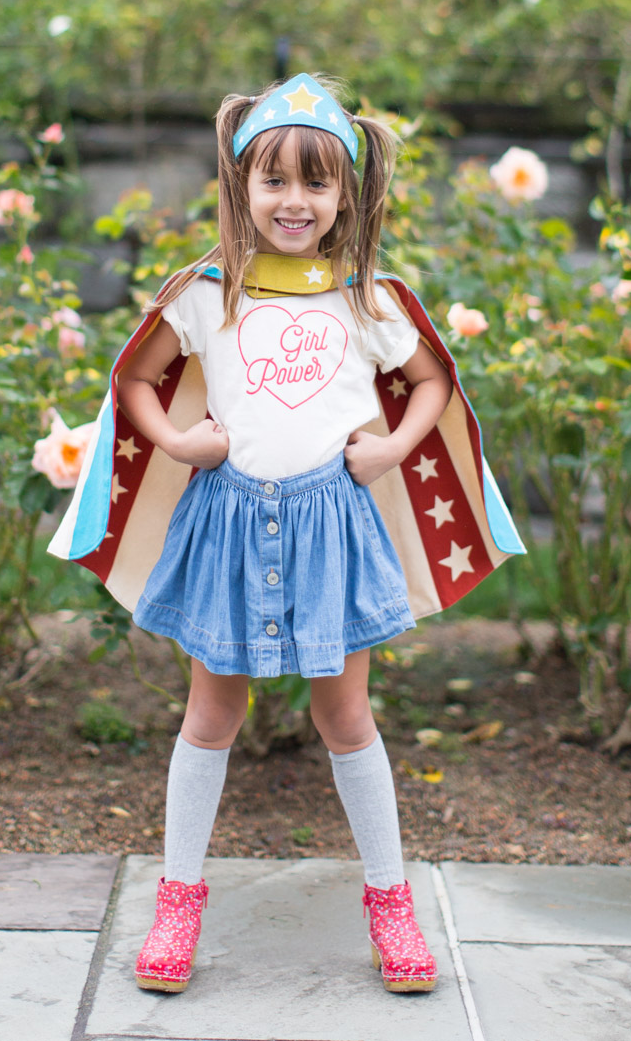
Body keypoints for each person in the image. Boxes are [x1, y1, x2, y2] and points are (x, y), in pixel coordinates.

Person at [49, 73, 524, 995]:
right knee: (211, 713)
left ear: (347, 192)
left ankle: (391, 904)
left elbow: (431, 381)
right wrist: (182, 440)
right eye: (274, 181)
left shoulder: (368, 300)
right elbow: (137, 382)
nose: (294, 201)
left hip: (330, 530)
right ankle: (178, 899)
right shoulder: (207, 295)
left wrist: (392, 449)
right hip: (229, 525)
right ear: (241, 185)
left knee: (346, 717)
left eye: (315, 182)